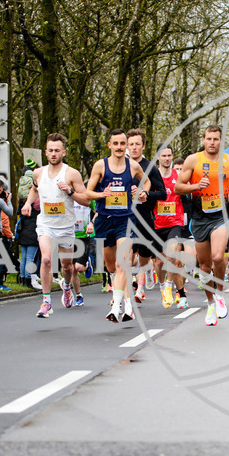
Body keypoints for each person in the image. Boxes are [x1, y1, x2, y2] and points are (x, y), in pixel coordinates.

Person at [175, 125, 229, 326]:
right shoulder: (193, 160)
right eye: (209, 139)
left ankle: (219, 295)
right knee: (204, 266)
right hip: (200, 216)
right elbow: (178, 187)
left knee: (218, 256)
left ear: (221, 141)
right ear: (203, 140)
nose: (212, 142)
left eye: (216, 139)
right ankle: (211, 303)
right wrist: (195, 186)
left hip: (220, 216)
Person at [21, 133, 91, 318]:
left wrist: (69, 191)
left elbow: (86, 201)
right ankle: (46, 301)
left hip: (66, 226)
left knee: (67, 266)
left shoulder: (71, 174)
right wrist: (28, 203)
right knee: (45, 259)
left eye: (57, 151)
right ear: (46, 152)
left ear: (63, 152)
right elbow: (35, 188)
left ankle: (67, 287)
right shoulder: (38, 173)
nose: (53, 154)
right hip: (45, 224)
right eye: (50, 150)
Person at [83, 128, 146, 322]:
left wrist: (141, 192)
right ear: (109, 145)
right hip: (104, 220)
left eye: (122, 143)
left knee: (122, 263)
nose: (119, 147)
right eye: (115, 144)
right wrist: (103, 195)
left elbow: (146, 182)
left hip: (125, 220)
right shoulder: (100, 166)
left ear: (126, 145)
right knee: (111, 266)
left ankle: (119, 306)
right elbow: (88, 192)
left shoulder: (134, 166)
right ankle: (120, 294)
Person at [126, 129, 166, 301]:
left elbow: (163, 193)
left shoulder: (150, 168)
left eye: (137, 144)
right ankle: (129, 294)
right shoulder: (120, 166)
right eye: (131, 144)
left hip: (144, 216)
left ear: (143, 146)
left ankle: (147, 268)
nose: (134, 148)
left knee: (143, 258)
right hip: (125, 217)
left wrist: (147, 195)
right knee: (126, 258)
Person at [152, 146, 189, 310]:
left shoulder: (179, 177)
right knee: (160, 262)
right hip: (157, 224)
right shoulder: (152, 177)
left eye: (169, 155)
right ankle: (163, 286)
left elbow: (187, 196)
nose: (166, 158)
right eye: (163, 156)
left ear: (172, 157)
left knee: (172, 257)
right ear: (158, 157)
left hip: (175, 223)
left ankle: (176, 290)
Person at [14, 199, 40, 288]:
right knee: (30, 258)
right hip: (33, 233)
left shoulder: (23, 205)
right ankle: (28, 280)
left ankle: (22, 277)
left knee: (24, 258)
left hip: (23, 233)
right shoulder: (36, 206)